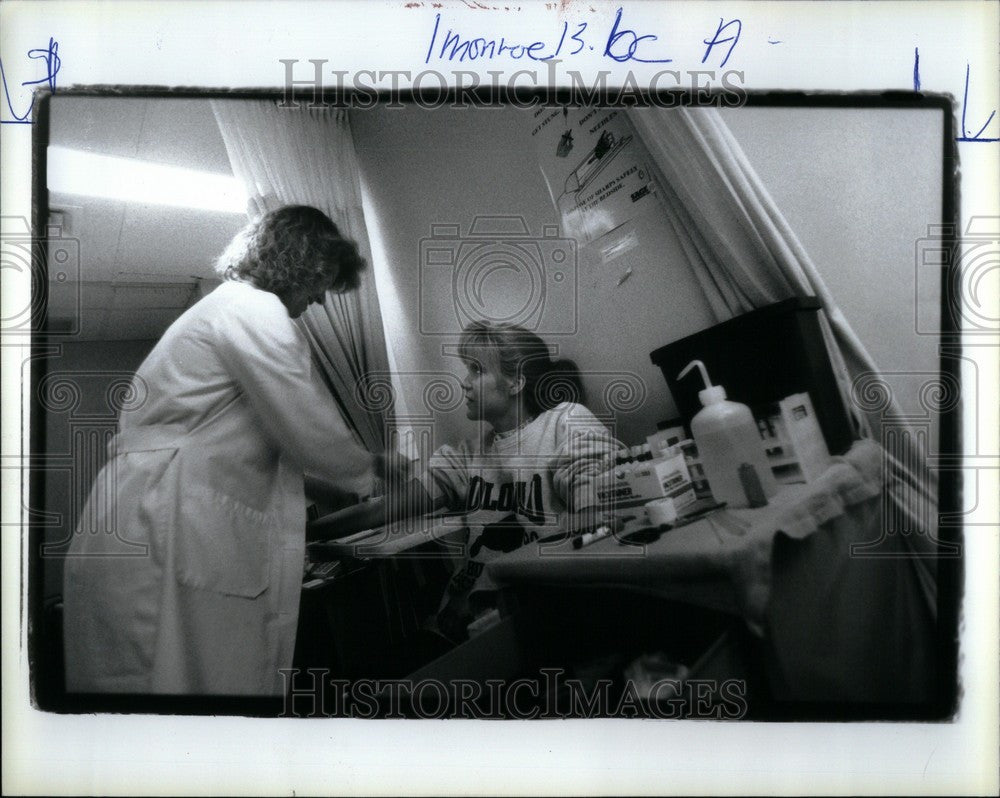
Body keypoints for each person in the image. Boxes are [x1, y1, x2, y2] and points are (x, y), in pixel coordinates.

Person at [63, 205, 398, 696]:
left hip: (139, 515)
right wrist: (372, 470)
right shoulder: (251, 307)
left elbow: (260, 452)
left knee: (143, 692)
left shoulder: (220, 313)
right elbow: (306, 421)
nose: (322, 299)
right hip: (170, 518)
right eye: (322, 281)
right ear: (299, 263)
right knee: (181, 687)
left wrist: (341, 484)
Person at [310, 321, 620, 642]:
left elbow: (598, 509)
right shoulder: (465, 455)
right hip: (459, 623)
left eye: (476, 370)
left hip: (532, 620)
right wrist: (303, 532)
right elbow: (382, 511)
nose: (465, 383)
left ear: (515, 382)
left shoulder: (565, 421)